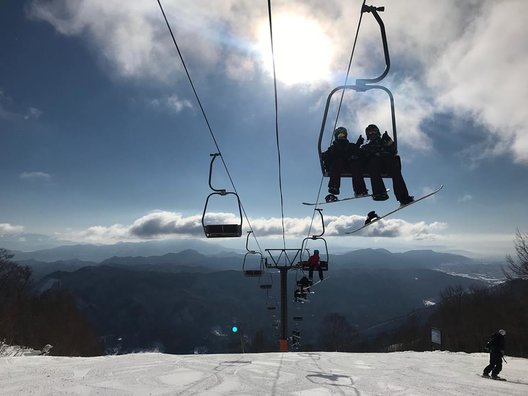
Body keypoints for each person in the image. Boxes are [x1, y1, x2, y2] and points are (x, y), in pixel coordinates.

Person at [361, 124, 414, 205]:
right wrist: (359, 147)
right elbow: (362, 155)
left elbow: (393, 150)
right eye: (370, 133)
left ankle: (403, 197)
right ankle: (379, 192)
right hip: (376, 166)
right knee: (373, 162)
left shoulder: (384, 141)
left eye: (373, 132)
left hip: (387, 162)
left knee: (393, 166)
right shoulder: (367, 146)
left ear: (377, 132)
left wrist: (389, 141)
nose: (372, 134)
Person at [322, 127, 368, 203]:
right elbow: (327, 156)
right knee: (337, 161)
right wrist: (326, 163)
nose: (341, 137)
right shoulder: (333, 147)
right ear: (336, 136)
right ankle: (334, 186)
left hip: (349, 166)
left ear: (345, 136)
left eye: (343, 135)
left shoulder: (350, 146)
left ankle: (360, 190)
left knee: (355, 162)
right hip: (338, 167)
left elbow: (358, 153)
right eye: (339, 135)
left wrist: (358, 145)